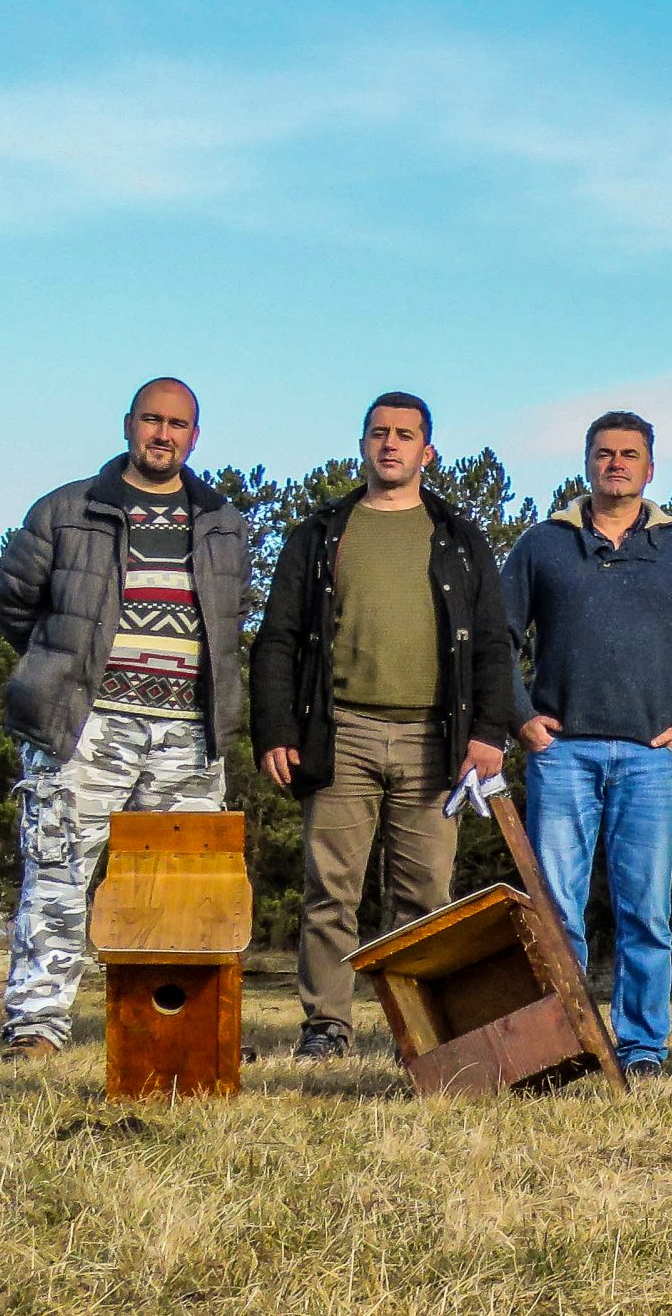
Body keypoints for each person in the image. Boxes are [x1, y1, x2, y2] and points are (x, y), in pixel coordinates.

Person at [0, 377, 249, 1059]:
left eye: (178, 424)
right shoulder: (66, 509)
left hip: (187, 736)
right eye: (151, 420)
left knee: (181, 892)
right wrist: (61, 666)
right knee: (58, 873)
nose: (163, 434)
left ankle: (169, 1038)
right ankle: (36, 1029)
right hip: (85, 726)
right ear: (128, 424)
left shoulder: (221, 521)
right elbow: (13, 602)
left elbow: (229, 620)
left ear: (196, 436)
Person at [253, 393, 518, 1060]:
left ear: (427, 451)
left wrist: (490, 732)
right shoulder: (321, 533)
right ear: (363, 444)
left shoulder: (458, 536)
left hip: (437, 741)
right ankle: (326, 1027)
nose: (390, 444)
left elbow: (491, 641)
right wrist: (275, 729)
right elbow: (279, 637)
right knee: (329, 889)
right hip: (340, 732)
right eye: (379, 433)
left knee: (425, 895)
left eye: (404, 435)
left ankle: (419, 1031)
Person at [501, 411, 672, 1079]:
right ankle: (565, 1044)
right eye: (603, 453)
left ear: (650, 468)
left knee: (645, 911)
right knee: (557, 911)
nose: (615, 463)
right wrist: (521, 718)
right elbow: (499, 638)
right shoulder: (543, 544)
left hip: (650, 756)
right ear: (586, 463)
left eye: (629, 454)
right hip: (562, 754)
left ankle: (643, 1046)